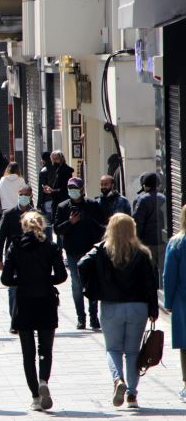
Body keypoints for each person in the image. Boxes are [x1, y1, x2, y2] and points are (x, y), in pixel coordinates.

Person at [78, 214, 159, 409]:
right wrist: (153, 308)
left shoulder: (102, 250)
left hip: (111, 305)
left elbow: (82, 264)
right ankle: (132, 395)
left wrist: (94, 288)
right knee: (132, 351)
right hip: (137, 306)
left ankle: (117, 381)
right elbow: (151, 283)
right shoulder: (142, 253)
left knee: (113, 349)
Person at [1, 211, 67, 411]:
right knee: (45, 349)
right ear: (42, 226)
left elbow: (5, 279)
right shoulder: (51, 246)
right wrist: (47, 281)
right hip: (46, 300)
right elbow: (62, 275)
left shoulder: (15, 246)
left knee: (27, 353)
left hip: (24, 302)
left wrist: (20, 281)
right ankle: (44, 380)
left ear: (24, 226)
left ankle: (35, 397)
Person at [54, 177, 105, 330]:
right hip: (73, 252)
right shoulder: (63, 207)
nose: (72, 191)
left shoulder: (92, 205)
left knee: (91, 283)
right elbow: (57, 229)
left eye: (75, 188)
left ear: (82, 190)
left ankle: (93, 317)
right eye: (70, 188)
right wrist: (70, 222)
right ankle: (80, 318)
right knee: (77, 285)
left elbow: (102, 225)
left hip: (91, 251)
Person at [0, 186, 37, 333]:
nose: (23, 197)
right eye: (21, 194)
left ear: (31, 196)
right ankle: (14, 321)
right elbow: (1, 237)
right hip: (13, 258)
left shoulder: (36, 214)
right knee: (13, 290)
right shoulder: (9, 214)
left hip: (32, 259)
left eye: (26, 194)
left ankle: (29, 320)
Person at [163, 206, 186, 403]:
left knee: (185, 343)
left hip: (182, 299)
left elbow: (169, 275)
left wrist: (168, 301)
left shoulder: (177, 243)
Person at [133, 172, 167, 278]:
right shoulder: (164, 198)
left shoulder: (142, 200)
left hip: (147, 243)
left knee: (149, 272)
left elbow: (138, 223)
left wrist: (136, 241)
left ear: (145, 185)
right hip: (163, 241)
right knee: (162, 270)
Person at [42, 150, 74, 223]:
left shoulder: (65, 171)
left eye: (56, 159)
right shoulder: (57, 170)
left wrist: (53, 190)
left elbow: (65, 188)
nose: (54, 161)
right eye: (53, 159)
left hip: (63, 202)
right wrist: (50, 190)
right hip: (57, 202)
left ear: (61, 159)